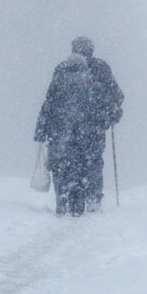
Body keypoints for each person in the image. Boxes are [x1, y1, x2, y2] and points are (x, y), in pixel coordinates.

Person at [34, 37, 123, 216]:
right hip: (91, 129)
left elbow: (50, 101)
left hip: (60, 129)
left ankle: (63, 198)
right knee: (91, 163)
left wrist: (41, 129)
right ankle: (91, 199)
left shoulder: (61, 70)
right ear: (91, 50)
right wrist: (110, 117)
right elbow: (115, 97)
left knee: (63, 164)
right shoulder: (99, 69)